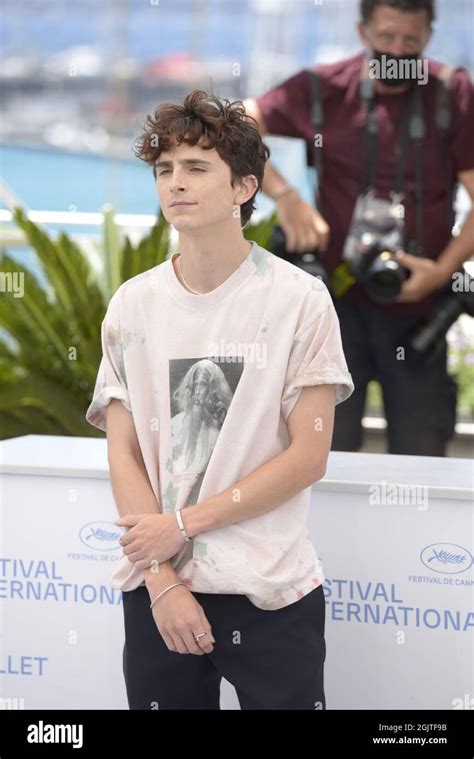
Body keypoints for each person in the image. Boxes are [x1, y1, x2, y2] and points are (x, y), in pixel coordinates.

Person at [85, 90, 354, 710]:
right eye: (164, 169)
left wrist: (181, 526)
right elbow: (123, 449)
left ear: (243, 188)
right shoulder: (133, 304)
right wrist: (159, 579)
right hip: (158, 589)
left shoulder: (299, 300)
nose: (175, 183)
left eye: (196, 167)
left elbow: (308, 457)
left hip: (269, 588)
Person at [243, 0, 474, 456]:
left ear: (428, 35)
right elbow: (233, 123)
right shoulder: (323, 88)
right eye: (386, 37)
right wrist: (287, 198)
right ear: (361, 30)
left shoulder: (452, 93)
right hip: (334, 304)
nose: (398, 50)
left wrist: (441, 270)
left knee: (421, 452)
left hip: (420, 308)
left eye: (411, 41)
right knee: (325, 449)